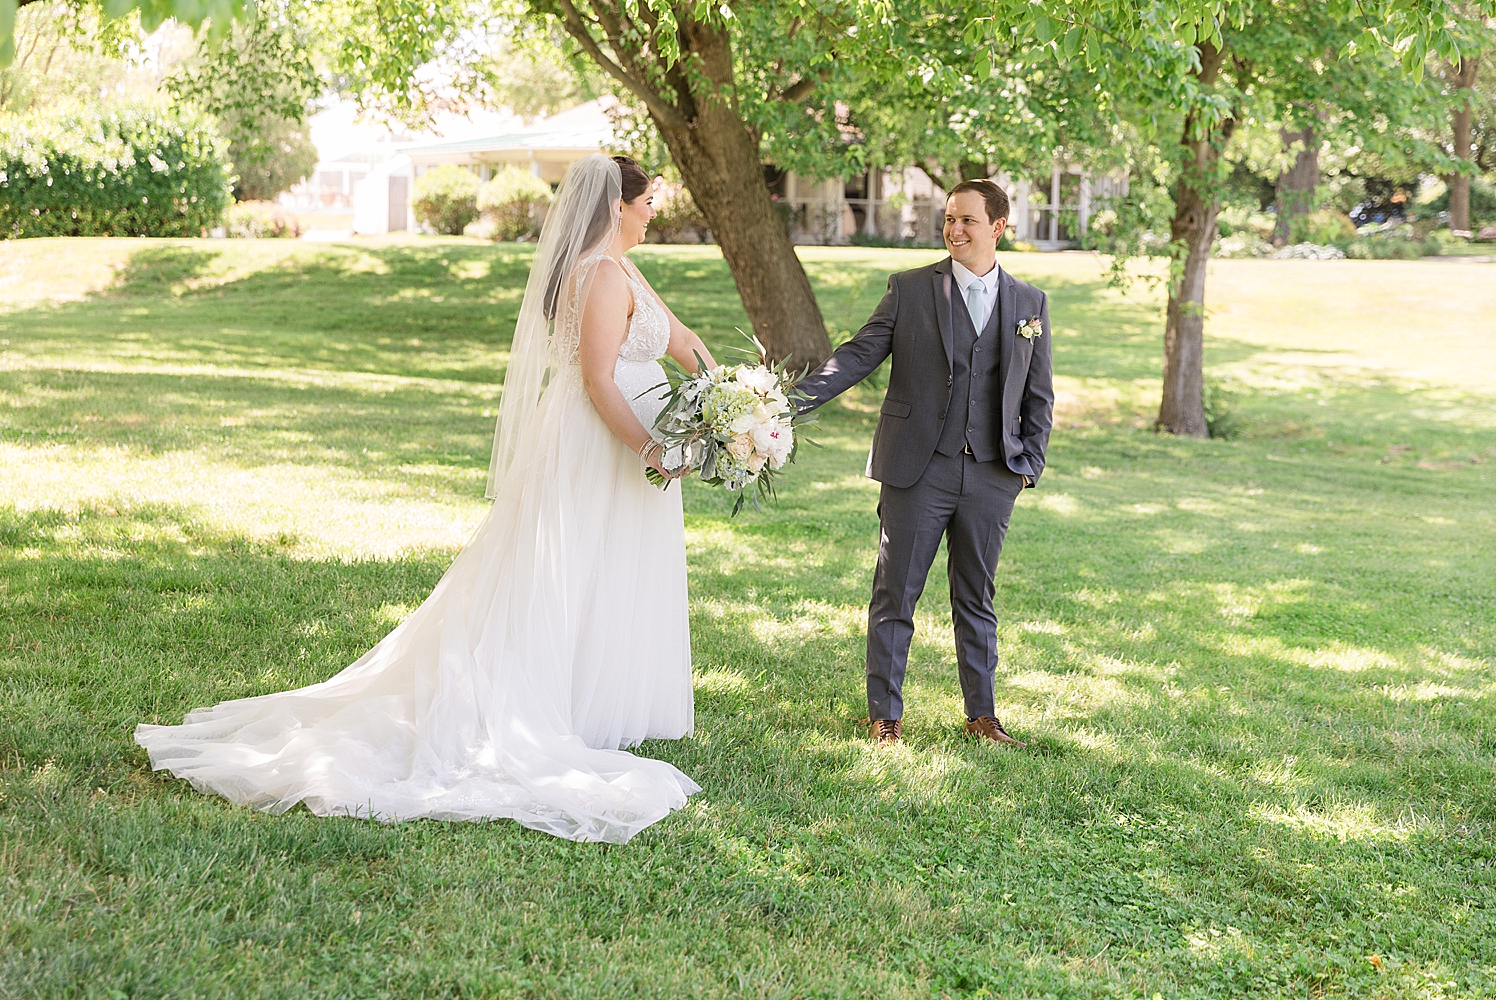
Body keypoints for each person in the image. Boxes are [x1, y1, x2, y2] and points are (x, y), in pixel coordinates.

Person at [136, 154, 717, 843]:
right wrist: (651, 449)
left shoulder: (626, 268)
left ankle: (606, 704)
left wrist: (732, 405)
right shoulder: (595, 277)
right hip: (600, 448)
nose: (656, 209)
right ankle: (554, 708)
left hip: (638, 453)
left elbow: (681, 341)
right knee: (569, 568)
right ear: (617, 206)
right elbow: (598, 381)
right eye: (649, 199)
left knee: (613, 569)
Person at [795, 178, 1054, 747]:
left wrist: (1026, 465)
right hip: (918, 468)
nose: (955, 230)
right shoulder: (911, 290)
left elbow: (1039, 395)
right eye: (949, 219)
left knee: (976, 598)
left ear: (998, 228)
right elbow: (858, 354)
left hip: (992, 474)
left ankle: (982, 715)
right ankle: (884, 714)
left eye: (968, 221)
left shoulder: (1030, 303)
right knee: (896, 592)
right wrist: (787, 405)